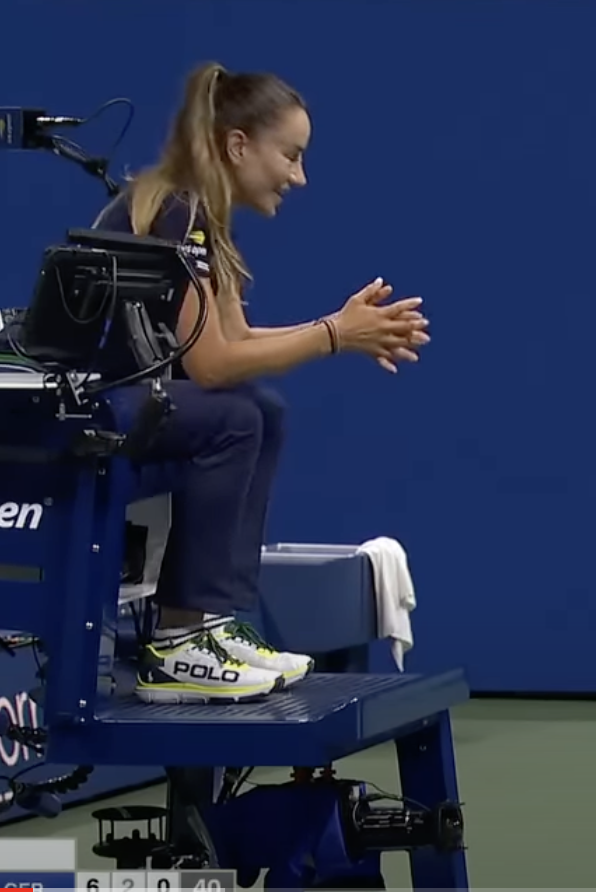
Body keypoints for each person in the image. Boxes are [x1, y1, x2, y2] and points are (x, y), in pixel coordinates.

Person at [91, 61, 431, 705]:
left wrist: (342, 330)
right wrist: (335, 333)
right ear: (238, 144)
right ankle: (178, 643)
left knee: (262, 410)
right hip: (94, 406)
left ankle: (209, 623)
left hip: (135, 401)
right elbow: (213, 366)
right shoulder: (175, 210)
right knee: (236, 416)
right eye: (291, 155)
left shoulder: (199, 215)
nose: (299, 176)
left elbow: (236, 343)